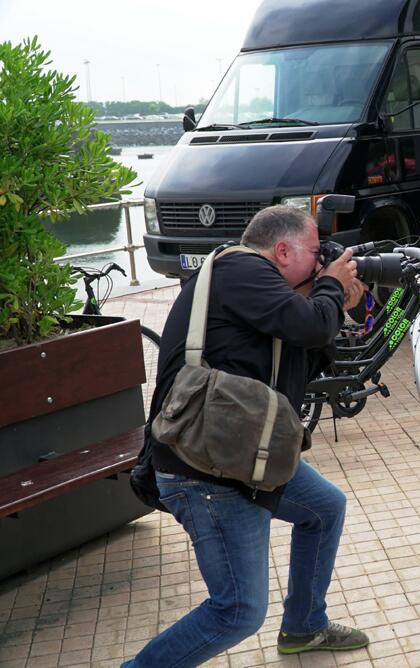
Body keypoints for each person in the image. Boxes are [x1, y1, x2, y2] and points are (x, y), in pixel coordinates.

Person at [123, 205, 368, 666]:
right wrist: (331, 287)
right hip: (205, 471)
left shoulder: (267, 291)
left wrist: (335, 301)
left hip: (242, 453)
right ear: (281, 250)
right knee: (238, 610)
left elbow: (307, 353)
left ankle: (305, 627)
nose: (321, 262)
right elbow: (309, 325)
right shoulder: (239, 268)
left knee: (324, 508)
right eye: (314, 252)